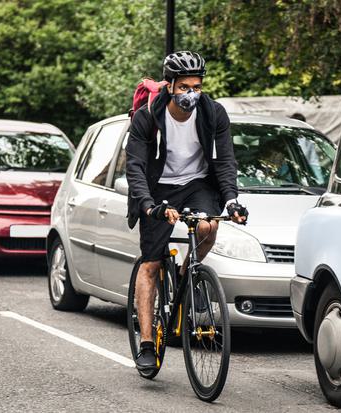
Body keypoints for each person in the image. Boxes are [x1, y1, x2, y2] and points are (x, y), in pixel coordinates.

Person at [126, 51, 248, 372]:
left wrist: (232, 199)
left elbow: (224, 161)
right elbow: (135, 166)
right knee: (150, 264)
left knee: (208, 227)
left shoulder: (213, 114)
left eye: (197, 86)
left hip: (197, 184)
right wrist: (149, 206)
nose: (191, 93)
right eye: (184, 87)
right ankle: (148, 344)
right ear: (170, 86)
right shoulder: (148, 118)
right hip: (157, 187)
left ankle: (187, 275)